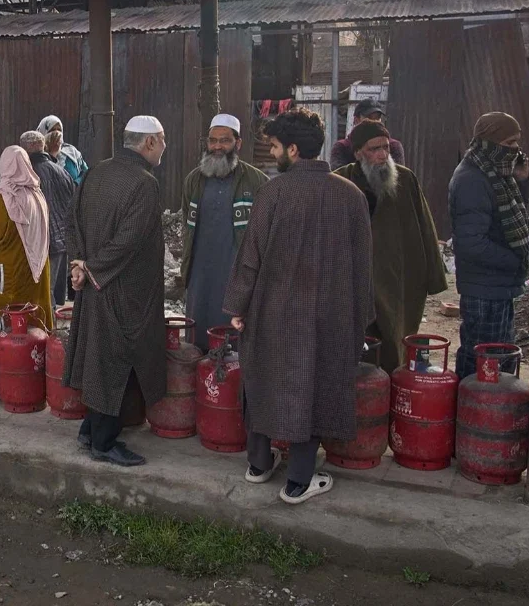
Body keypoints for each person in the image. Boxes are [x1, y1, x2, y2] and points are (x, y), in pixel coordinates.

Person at [224, 108, 374, 504]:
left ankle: (258, 465)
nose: (273, 154)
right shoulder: (352, 196)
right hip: (331, 316)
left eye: (274, 147)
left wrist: (238, 305)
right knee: (315, 386)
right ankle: (299, 480)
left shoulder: (274, 192)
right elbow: (363, 269)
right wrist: (360, 319)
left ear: (293, 148)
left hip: (272, 311)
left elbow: (250, 257)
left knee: (262, 378)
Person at [62, 116, 169, 468]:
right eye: (162, 141)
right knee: (113, 362)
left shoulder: (95, 172)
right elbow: (129, 241)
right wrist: (92, 268)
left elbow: (72, 220)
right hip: (124, 289)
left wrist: (80, 264)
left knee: (97, 357)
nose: (164, 148)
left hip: (94, 284)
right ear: (149, 143)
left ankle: (90, 429)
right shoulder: (145, 183)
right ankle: (104, 442)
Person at [334, 120, 447, 374]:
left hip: (399, 276)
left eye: (386, 147)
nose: (383, 155)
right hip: (356, 278)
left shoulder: (405, 180)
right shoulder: (341, 181)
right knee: (361, 345)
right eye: (374, 149)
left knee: (397, 341)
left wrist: (434, 277)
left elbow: (425, 228)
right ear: (358, 153)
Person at [449, 112, 529, 378]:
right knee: (483, 363)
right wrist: (515, 259)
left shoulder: (495, 172)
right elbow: (472, 244)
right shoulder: (472, 179)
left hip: (498, 285)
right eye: (509, 143)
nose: (516, 150)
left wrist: (521, 181)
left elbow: (507, 217)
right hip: (484, 290)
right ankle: (471, 415)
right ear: (491, 143)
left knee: (497, 360)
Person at [180, 114, 269, 350]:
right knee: (197, 336)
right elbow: (186, 227)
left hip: (236, 274)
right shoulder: (193, 181)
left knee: (234, 337)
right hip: (200, 273)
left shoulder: (257, 181)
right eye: (212, 140)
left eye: (224, 140)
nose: (217, 146)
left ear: (238, 144)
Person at [0, 144, 53, 327]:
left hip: (8, 276)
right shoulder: (38, 196)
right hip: (36, 272)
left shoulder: (6, 200)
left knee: (12, 328)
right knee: (34, 321)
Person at [21, 130, 75, 307]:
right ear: (43, 147)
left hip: (37, 242)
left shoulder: (26, 174)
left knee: (40, 294)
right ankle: (52, 330)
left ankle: (45, 331)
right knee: (52, 293)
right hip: (60, 240)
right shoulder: (61, 171)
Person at [329, 101, 406, 168]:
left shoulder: (393, 145)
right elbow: (338, 178)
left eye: (377, 118)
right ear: (356, 120)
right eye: (369, 118)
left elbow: (399, 175)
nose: (374, 122)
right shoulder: (343, 147)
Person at [36, 115, 90, 184]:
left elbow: (85, 172)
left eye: (59, 130)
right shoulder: (38, 154)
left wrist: (76, 184)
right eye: (52, 130)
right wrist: (53, 154)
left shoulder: (71, 151)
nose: (56, 133)